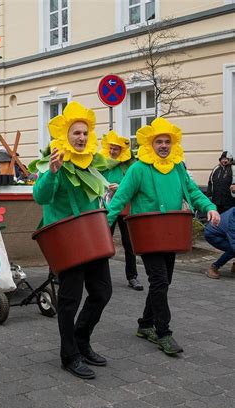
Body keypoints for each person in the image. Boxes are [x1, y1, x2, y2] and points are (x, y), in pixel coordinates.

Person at [106, 117, 220, 355]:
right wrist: (103, 225)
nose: (164, 145)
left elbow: (191, 190)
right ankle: (163, 333)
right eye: (159, 141)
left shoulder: (177, 166)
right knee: (159, 280)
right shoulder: (138, 168)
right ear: (151, 143)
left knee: (164, 281)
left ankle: (145, 324)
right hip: (147, 235)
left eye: (168, 141)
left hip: (171, 233)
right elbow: (120, 198)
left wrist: (209, 206)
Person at [32, 102, 112, 380]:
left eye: (84, 133)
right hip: (67, 239)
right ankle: (69, 355)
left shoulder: (90, 162)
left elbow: (96, 195)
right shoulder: (54, 160)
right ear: (65, 136)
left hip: (93, 237)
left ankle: (81, 339)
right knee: (69, 300)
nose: (80, 137)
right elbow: (40, 197)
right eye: (75, 133)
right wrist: (52, 172)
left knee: (102, 292)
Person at [100, 130, 142, 291]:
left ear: (122, 151)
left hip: (125, 209)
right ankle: (100, 277)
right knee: (103, 243)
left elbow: (134, 183)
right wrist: (105, 186)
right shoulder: (103, 163)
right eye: (110, 148)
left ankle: (132, 277)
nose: (112, 151)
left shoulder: (129, 165)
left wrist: (122, 187)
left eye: (115, 149)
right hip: (107, 208)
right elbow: (96, 179)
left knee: (129, 243)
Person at [205, 207, 235, 279]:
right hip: (213, 234)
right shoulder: (233, 221)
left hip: (224, 233)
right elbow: (234, 241)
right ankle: (214, 267)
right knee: (232, 250)